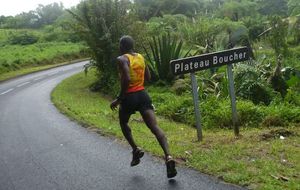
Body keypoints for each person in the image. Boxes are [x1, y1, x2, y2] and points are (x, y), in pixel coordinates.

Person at [110, 35, 177, 178]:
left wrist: (119, 99)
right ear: (132, 45)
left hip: (129, 97)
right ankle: (169, 156)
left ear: (122, 46)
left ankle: (135, 149)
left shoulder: (122, 59)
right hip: (142, 95)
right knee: (155, 127)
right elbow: (148, 77)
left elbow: (127, 78)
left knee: (123, 122)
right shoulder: (140, 57)